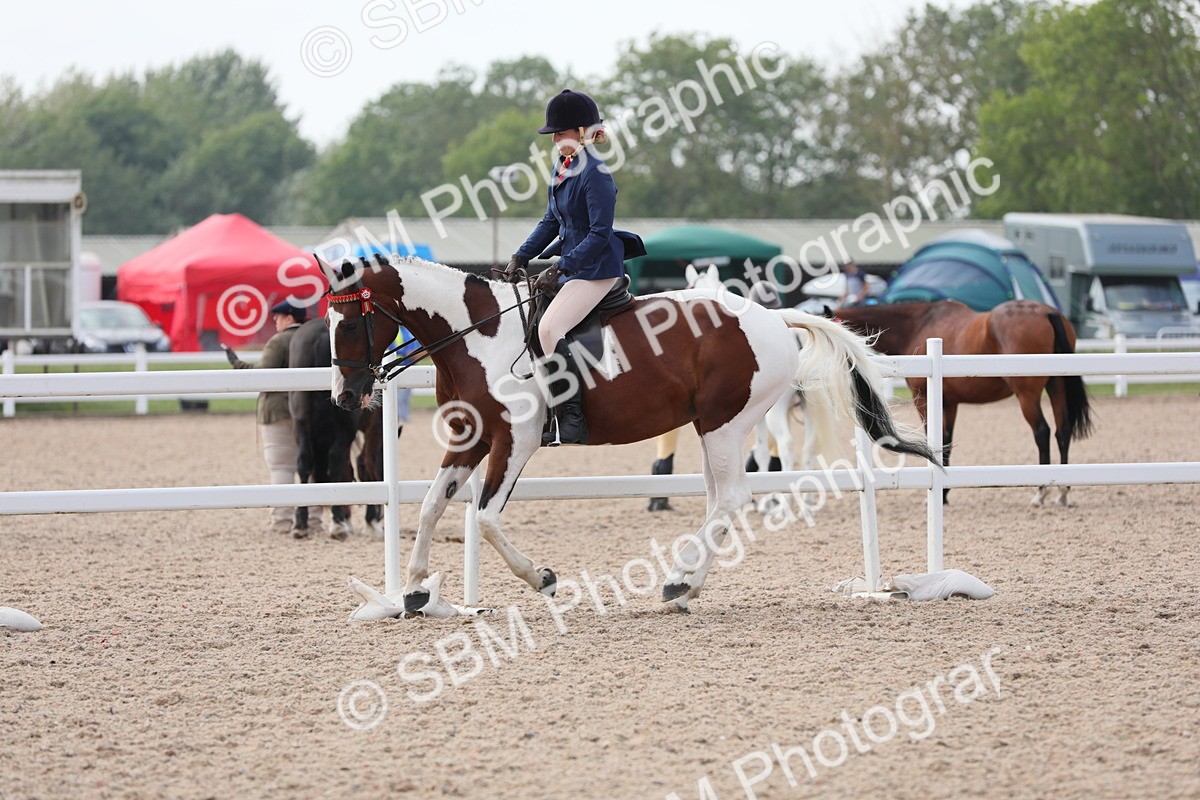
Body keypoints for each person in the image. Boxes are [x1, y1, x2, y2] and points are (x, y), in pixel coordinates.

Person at [501, 89, 631, 447]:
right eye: (553, 135)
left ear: (580, 130)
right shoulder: (563, 167)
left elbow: (600, 234)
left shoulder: (597, 175)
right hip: (574, 266)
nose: (554, 140)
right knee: (530, 321)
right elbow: (550, 222)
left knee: (549, 328)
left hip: (598, 269)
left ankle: (572, 418)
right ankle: (547, 412)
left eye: (559, 133)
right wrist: (521, 256)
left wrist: (560, 267)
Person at [223, 300, 305, 533]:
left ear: (289, 318)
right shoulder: (323, 337)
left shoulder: (279, 341)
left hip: (279, 410)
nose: (275, 321)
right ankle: (313, 520)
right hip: (311, 412)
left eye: (278, 317)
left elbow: (262, 374)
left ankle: (281, 521)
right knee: (311, 465)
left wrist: (237, 363)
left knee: (282, 467)